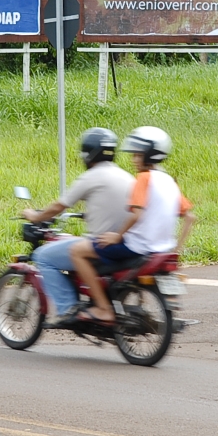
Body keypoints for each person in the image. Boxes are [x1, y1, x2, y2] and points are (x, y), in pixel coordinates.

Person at [69, 126, 196, 324]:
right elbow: (190, 218)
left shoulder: (143, 179)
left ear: (147, 156)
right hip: (161, 251)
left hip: (135, 247)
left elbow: (137, 214)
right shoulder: (169, 180)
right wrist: (177, 249)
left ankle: (103, 309)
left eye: (137, 155)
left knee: (77, 251)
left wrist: (117, 236)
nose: (133, 159)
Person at [22, 127, 134, 324]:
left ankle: (68, 308)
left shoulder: (91, 176)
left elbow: (60, 205)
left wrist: (36, 216)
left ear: (87, 153)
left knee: (43, 256)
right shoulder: (126, 176)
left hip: (102, 244)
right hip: (127, 242)